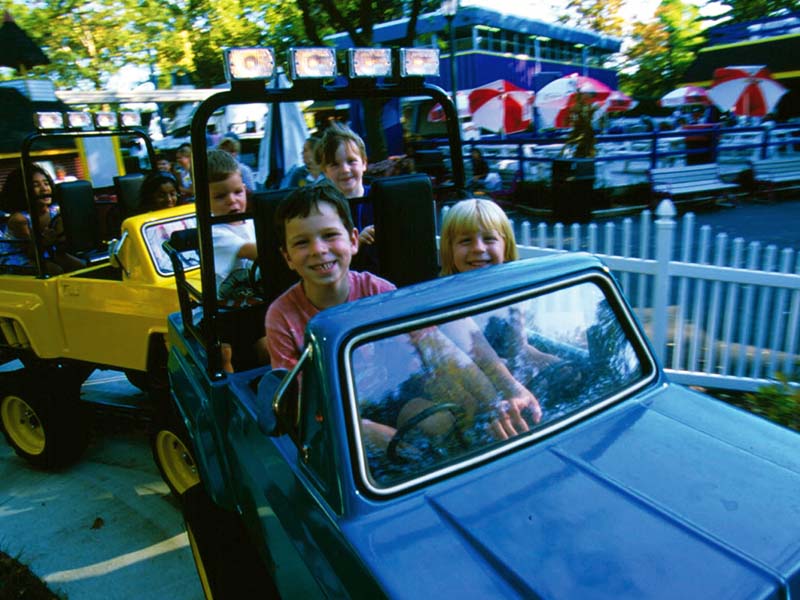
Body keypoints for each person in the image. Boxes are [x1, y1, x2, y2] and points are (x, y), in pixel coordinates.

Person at [0, 164, 84, 274]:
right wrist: (46, 242)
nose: (44, 189)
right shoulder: (19, 219)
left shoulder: (55, 212)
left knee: (80, 265)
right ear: (22, 191)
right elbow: (31, 253)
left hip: (47, 251)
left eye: (46, 183)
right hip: (19, 257)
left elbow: (61, 245)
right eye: (36, 185)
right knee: (54, 270)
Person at [315, 122, 375, 246]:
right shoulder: (323, 208)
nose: (345, 170)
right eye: (335, 164)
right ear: (325, 171)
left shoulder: (380, 198)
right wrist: (355, 244)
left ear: (364, 163)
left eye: (351, 161)